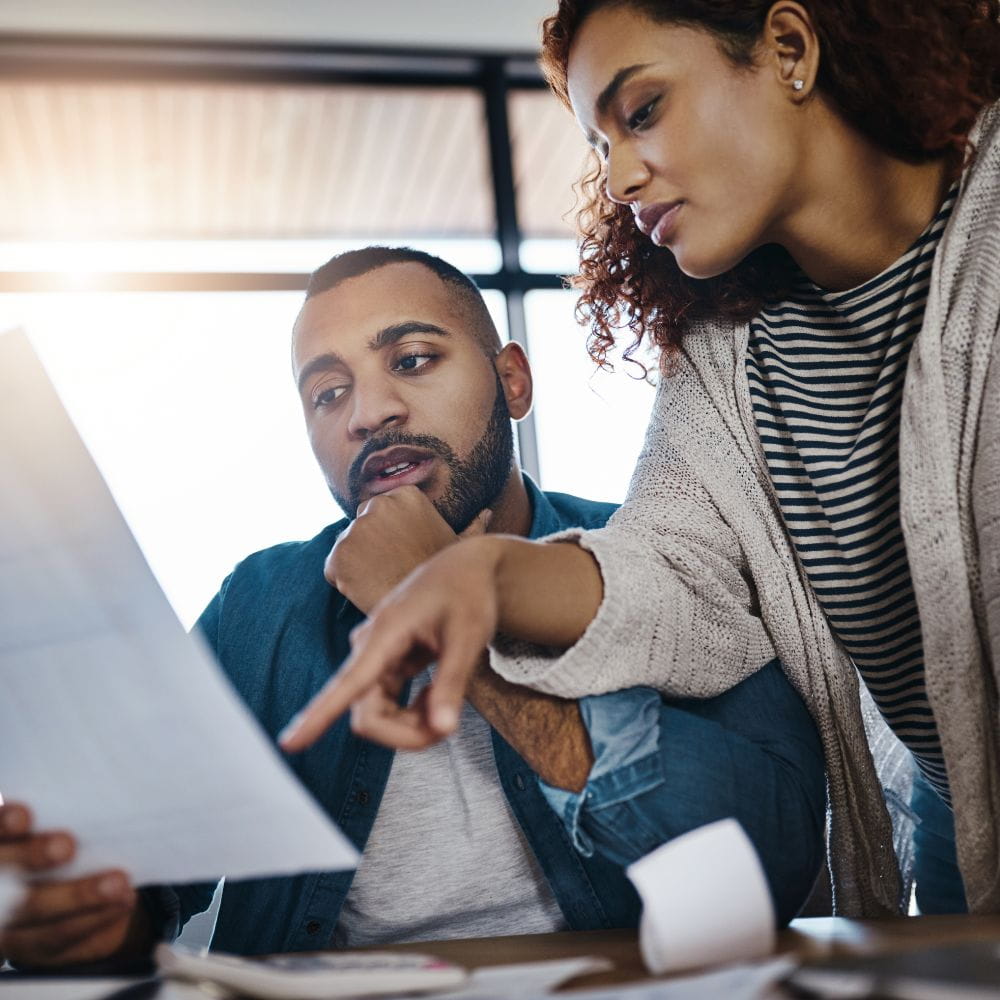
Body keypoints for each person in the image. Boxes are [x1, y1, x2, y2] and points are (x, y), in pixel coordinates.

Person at [280, 1, 1000, 919]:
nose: (616, 175)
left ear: (790, 49)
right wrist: (483, 575)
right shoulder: (727, 354)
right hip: (956, 821)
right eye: (597, 144)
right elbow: (670, 572)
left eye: (644, 110)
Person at [0, 247, 824, 968]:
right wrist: (87, 922)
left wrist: (439, 602)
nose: (369, 414)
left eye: (415, 359)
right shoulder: (258, 605)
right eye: (328, 395)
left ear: (513, 380)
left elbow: (767, 867)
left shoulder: (658, 553)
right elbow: (144, 881)